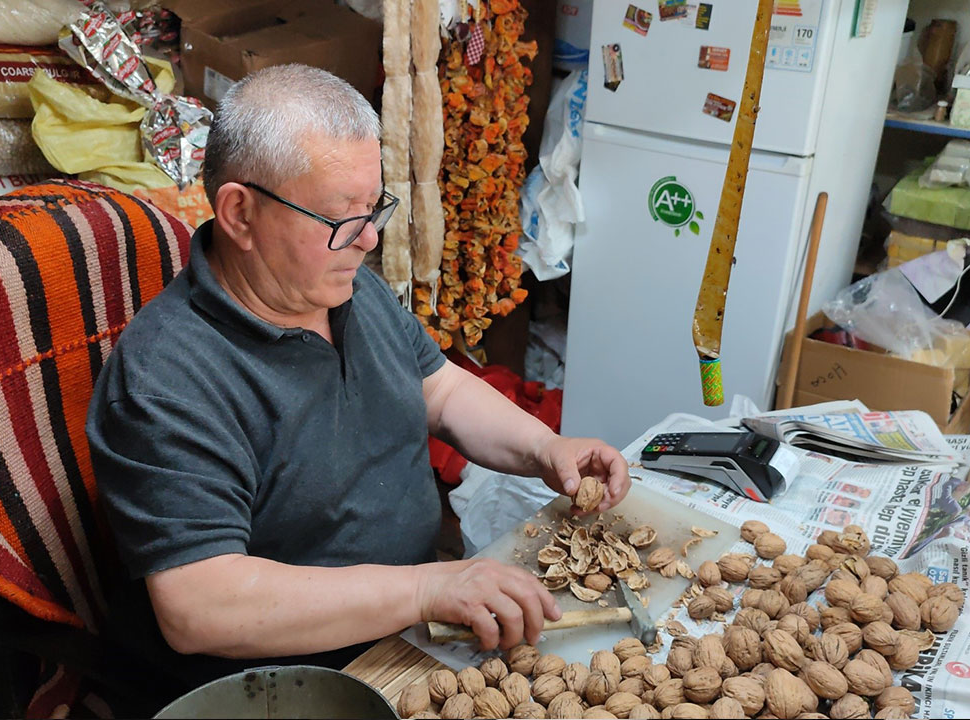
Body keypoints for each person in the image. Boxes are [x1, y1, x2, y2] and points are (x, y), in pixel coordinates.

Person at [85, 64, 630, 691]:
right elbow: (200, 606)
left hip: (411, 628)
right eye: (341, 218)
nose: (368, 239)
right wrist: (427, 589)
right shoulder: (166, 378)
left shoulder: (344, 289)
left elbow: (441, 389)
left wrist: (545, 447)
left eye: (374, 209)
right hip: (288, 683)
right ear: (240, 212)